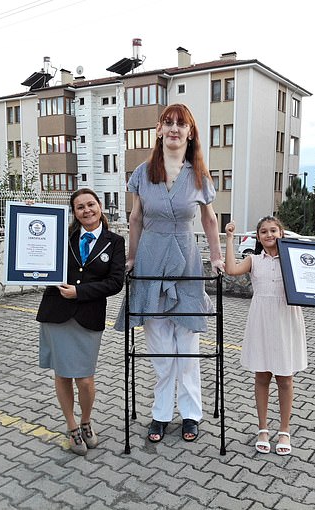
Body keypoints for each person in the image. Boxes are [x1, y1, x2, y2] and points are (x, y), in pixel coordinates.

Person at [115, 103, 224, 444]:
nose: (175, 129)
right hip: (150, 259)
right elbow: (135, 219)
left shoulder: (199, 175)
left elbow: (208, 220)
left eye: (182, 124)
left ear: (190, 133)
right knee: (160, 347)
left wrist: (217, 258)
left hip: (186, 262)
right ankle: (161, 414)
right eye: (169, 123)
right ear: (159, 129)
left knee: (188, 346)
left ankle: (191, 414)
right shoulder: (142, 173)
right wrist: (131, 260)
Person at [224, 216, 315, 456]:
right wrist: (229, 239)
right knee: (262, 375)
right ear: (258, 237)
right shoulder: (253, 260)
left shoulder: (293, 260)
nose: (269, 235)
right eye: (264, 232)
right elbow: (231, 269)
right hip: (261, 319)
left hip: (286, 318)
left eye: (273, 230)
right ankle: (263, 429)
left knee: (285, 377)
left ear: (281, 233)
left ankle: (285, 430)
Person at [37, 188, 125, 455]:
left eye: (90, 204)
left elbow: (115, 282)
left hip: (88, 316)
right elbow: (37, 246)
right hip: (56, 313)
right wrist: (30, 212)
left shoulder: (115, 241)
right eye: (80, 207)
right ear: (74, 212)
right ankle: (72, 426)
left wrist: (80, 292)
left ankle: (86, 421)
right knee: (62, 374)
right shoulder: (64, 237)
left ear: (100, 206)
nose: (86, 210)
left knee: (85, 379)